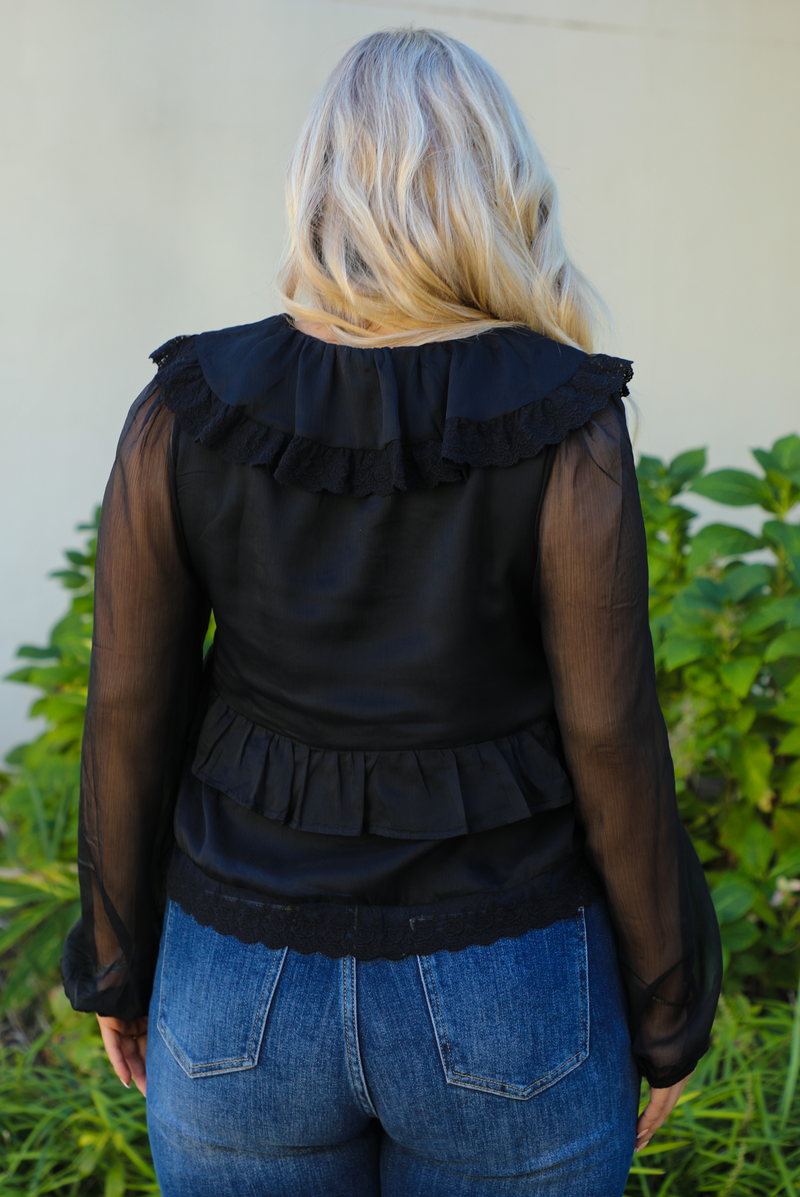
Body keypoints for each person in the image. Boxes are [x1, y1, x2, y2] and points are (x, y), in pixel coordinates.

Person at [61, 27, 722, 1197]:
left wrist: (115, 964)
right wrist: (668, 1007)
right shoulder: (566, 418)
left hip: (235, 988)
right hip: (508, 985)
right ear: (497, 186)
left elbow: (127, 706)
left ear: (316, 184)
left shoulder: (186, 406)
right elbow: (610, 731)